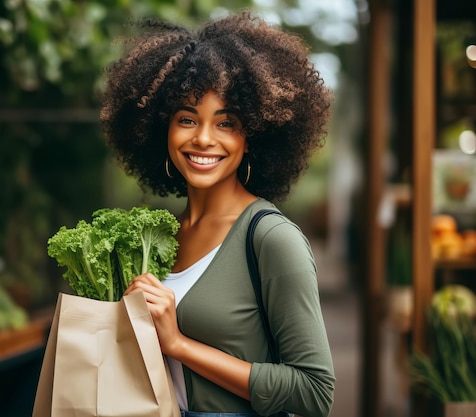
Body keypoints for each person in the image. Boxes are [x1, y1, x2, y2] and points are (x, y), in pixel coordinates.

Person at [100, 11, 335, 417]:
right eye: (187, 119)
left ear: (253, 137)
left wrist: (179, 344)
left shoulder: (271, 239)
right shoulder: (163, 235)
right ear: (162, 131)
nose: (203, 138)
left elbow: (314, 392)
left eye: (226, 123)